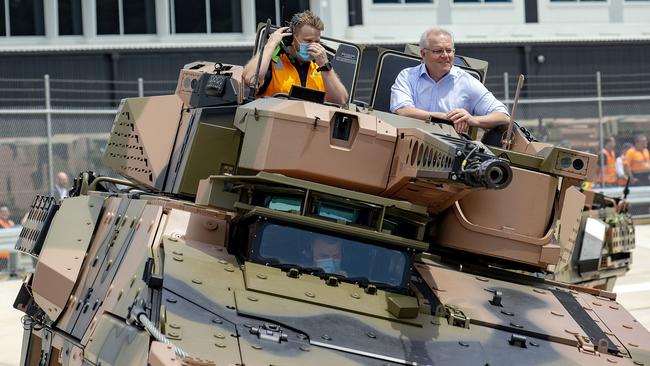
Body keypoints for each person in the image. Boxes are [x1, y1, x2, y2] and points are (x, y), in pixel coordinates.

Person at [390, 27, 510, 134]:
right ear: (423, 53)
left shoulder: (466, 81)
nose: (445, 55)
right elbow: (402, 110)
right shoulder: (407, 76)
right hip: (411, 146)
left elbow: (503, 116)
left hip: (452, 153)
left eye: (449, 50)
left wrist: (471, 119)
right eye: (438, 51)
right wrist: (443, 118)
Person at [242, 10, 348, 105]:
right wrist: (271, 44)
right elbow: (250, 79)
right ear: (291, 39)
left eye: (317, 42)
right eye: (308, 41)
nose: (314, 46)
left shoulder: (321, 67)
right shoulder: (272, 62)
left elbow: (340, 101)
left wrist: (325, 66)